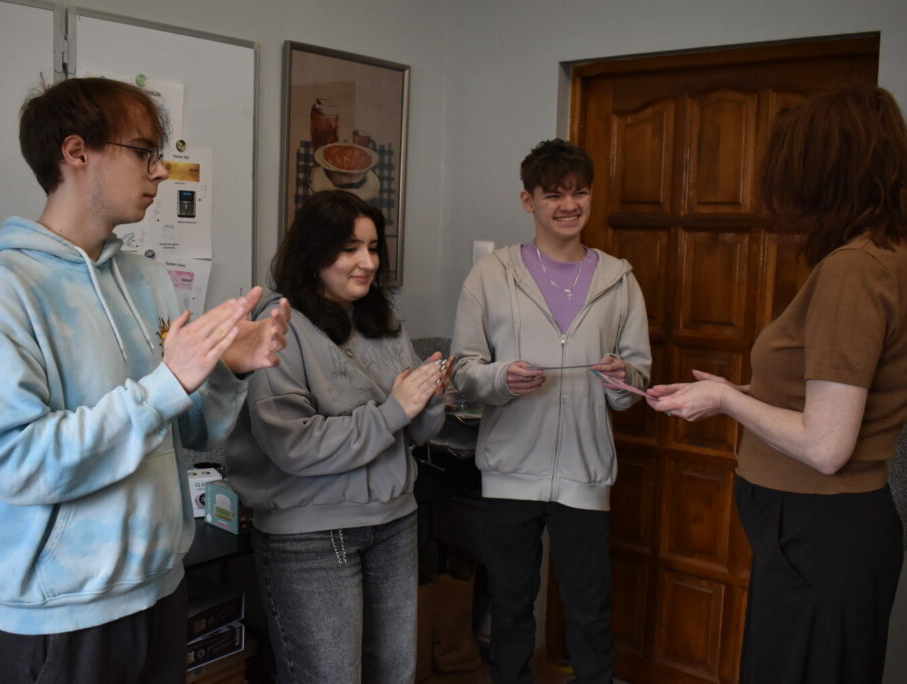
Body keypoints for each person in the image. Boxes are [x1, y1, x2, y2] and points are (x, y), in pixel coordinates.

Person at [0, 76, 290, 683]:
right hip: (55, 616)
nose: (161, 172)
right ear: (76, 152)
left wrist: (226, 369)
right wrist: (166, 384)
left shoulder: (148, 280)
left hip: (159, 590)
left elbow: (192, 430)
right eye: (144, 151)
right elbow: (17, 463)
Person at [646, 85, 907, 683]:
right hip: (832, 533)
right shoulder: (890, 255)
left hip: (819, 533)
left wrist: (725, 399)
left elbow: (826, 445)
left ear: (830, 167)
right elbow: (832, 402)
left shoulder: (855, 269)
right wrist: (737, 395)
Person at [224, 189, 450, 684]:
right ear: (314, 252)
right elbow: (295, 445)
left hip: (395, 519)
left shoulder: (382, 319)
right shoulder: (278, 327)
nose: (367, 262)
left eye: (373, 248)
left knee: (395, 672)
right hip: (311, 535)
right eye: (350, 249)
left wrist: (429, 398)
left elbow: (412, 434)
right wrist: (395, 410)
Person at [450, 139, 651, 684]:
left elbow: (636, 380)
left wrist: (621, 378)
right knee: (510, 609)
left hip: (585, 473)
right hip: (509, 470)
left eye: (579, 192)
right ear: (528, 200)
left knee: (590, 610)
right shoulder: (490, 275)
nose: (569, 205)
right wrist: (501, 379)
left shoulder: (619, 279)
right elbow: (463, 370)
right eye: (554, 194)